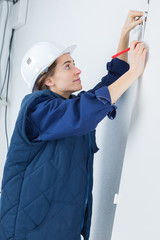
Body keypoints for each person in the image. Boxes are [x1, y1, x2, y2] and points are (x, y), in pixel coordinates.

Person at [0, 10, 147, 240]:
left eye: (74, 63)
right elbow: (84, 113)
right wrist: (135, 72)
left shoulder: (68, 110)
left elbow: (108, 86)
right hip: (26, 234)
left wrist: (124, 34)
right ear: (47, 79)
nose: (78, 70)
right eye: (67, 66)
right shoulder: (37, 111)